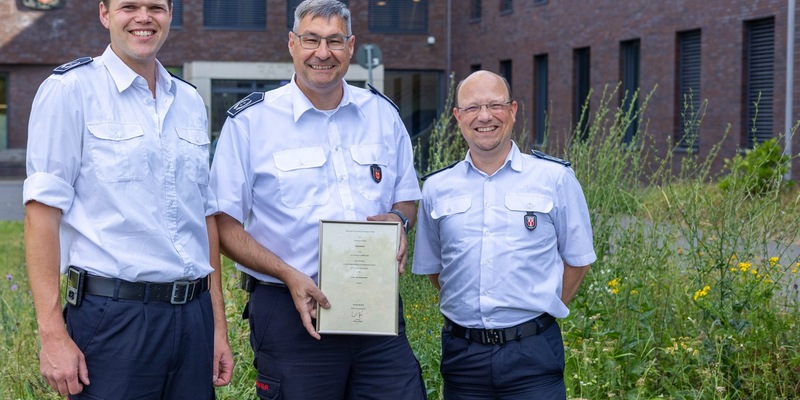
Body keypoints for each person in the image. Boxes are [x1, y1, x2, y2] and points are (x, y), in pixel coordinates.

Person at [208, 0, 427, 399]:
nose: (323, 53)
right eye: (311, 40)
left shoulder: (382, 115)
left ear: (351, 47)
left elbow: (406, 199)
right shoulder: (251, 122)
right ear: (292, 43)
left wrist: (400, 220)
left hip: (374, 310)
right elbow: (223, 223)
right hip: (289, 312)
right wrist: (288, 274)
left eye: (334, 41)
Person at [23, 0, 233, 398]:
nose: (143, 17)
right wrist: (52, 335)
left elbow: (202, 218)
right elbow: (41, 214)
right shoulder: (70, 91)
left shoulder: (188, 100)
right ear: (105, 14)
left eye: (155, 7)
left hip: (194, 318)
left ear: (170, 14)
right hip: (115, 320)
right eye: (129, 6)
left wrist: (217, 326)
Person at [412, 70, 596, 399]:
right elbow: (436, 268)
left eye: (495, 105)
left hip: (533, 353)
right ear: (457, 117)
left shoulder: (554, 178)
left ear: (512, 110)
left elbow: (578, 260)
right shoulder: (437, 188)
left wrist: (540, 310)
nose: (484, 116)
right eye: (472, 108)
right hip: (463, 356)